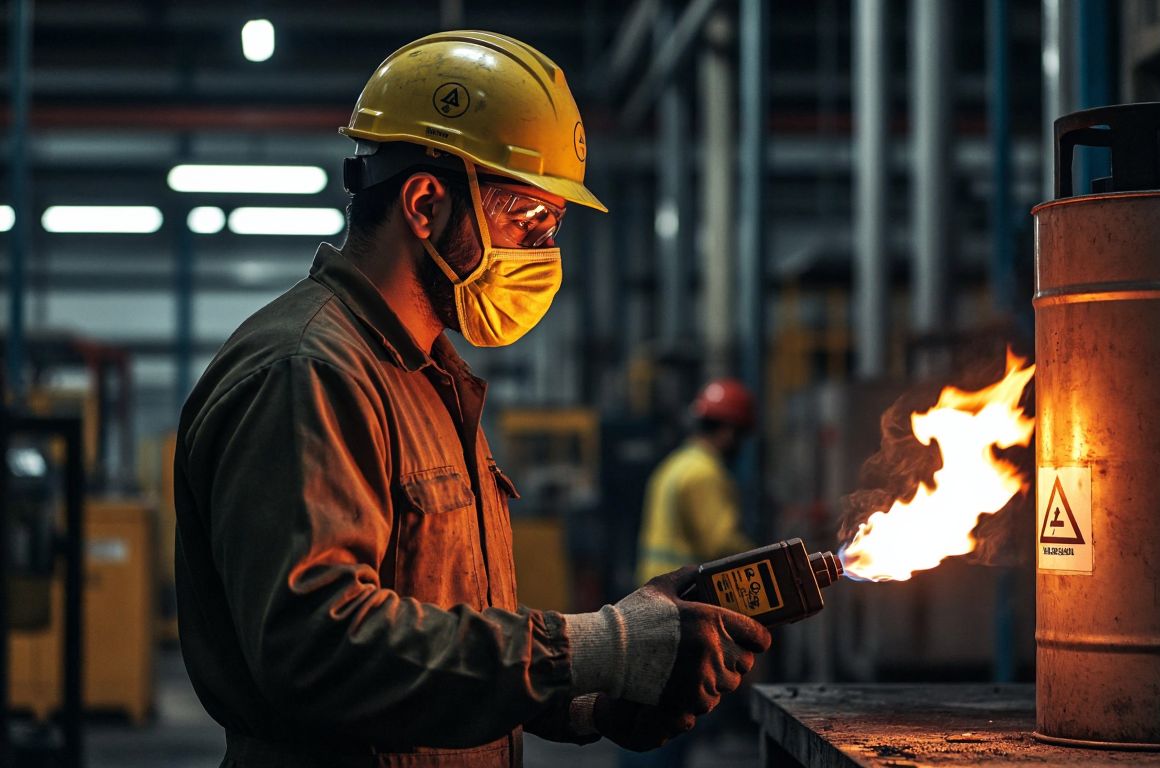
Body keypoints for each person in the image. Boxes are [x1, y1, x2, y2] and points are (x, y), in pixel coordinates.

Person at [173, 31, 769, 768]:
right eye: (529, 218)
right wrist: (596, 645)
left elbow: (443, 634)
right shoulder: (310, 372)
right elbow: (317, 649)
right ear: (426, 204)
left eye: (552, 226)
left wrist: (590, 701)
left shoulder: (429, 380)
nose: (543, 252)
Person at [636, 379, 757, 586]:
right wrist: (764, 559)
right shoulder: (704, 473)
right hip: (683, 594)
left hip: (656, 590)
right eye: (741, 434)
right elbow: (721, 544)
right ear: (729, 431)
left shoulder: (674, 464)